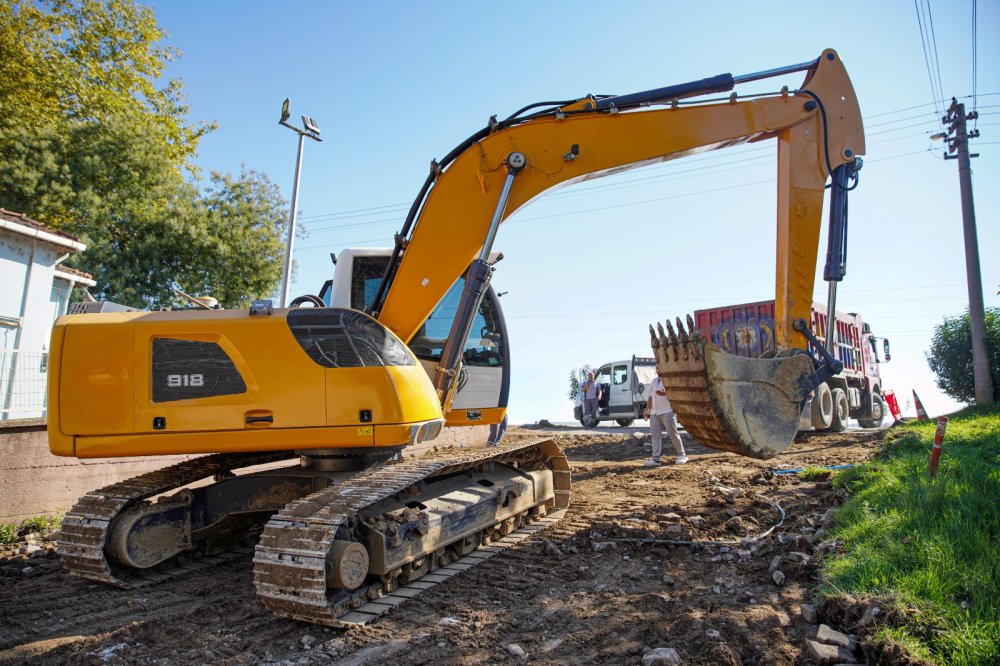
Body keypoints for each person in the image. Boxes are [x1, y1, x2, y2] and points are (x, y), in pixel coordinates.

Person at [644, 375, 687, 466]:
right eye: (656, 368)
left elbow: (676, 393)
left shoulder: (670, 380)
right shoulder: (654, 381)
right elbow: (651, 396)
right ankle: (655, 459)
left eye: (659, 367)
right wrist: (647, 409)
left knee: (672, 433)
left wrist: (664, 393)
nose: (658, 369)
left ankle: (682, 455)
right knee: (655, 435)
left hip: (667, 411)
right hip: (654, 412)